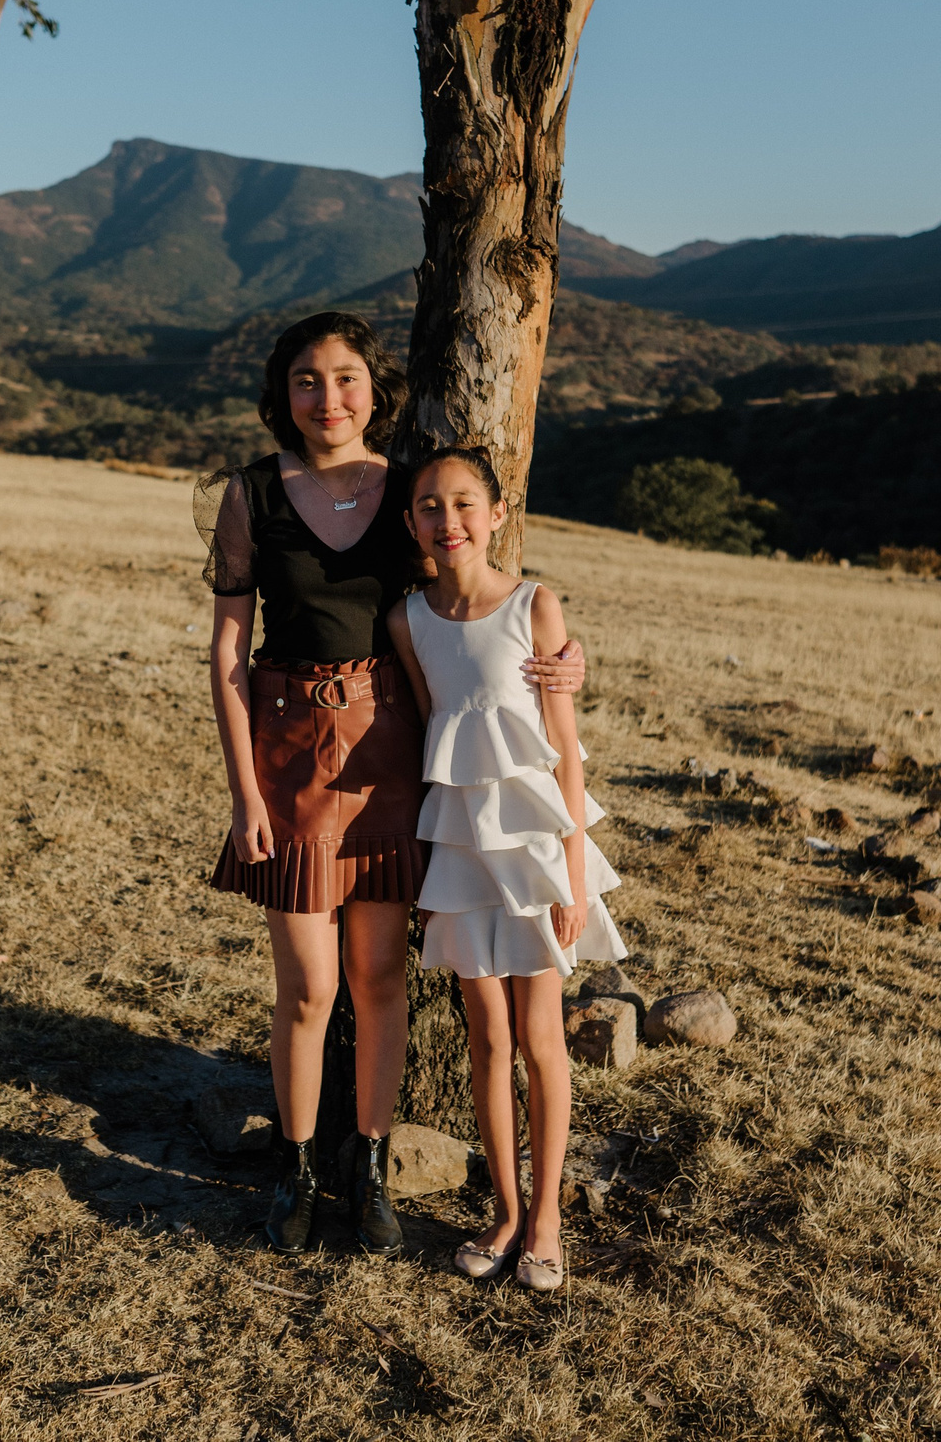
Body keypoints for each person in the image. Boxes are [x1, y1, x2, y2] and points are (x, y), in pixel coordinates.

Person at [200, 313, 583, 1256]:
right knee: (306, 987)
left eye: (345, 377)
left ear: (375, 388)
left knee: (378, 978)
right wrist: (245, 792)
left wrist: (564, 664)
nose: (326, 397)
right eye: (305, 380)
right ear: (280, 392)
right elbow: (226, 651)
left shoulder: (409, 493)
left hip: (388, 757)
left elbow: (470, 604)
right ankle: (294, 1174)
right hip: (286, 758)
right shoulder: (251, 493)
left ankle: (367, 1174)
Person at [384, 445, 626, 1293]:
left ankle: (550, 1214)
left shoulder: (533, 603)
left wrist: (570, 867)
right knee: (485, 1037)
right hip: (460, 843)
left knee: (539, 1037)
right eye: (427, 506)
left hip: (534, 843)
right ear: (410, 520)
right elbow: (428, 731)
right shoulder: (406, 619)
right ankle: (507, 1209)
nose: (446, 521)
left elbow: (563, 744)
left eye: (462, 504)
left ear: (494, 514)